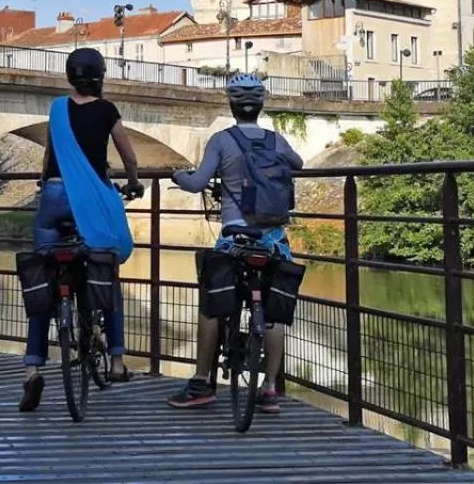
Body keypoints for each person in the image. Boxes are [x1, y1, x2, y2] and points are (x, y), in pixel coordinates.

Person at [166, 73, 303, 414]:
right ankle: (270, 388)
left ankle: (200, 382)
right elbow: (298, 164)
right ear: (260, 106)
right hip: (273, 237)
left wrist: (177, 175)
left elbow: (197, 183)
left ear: (231, 105)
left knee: (212, 305)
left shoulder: (222, 140)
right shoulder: (276, 139)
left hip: (235, 237)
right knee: (272, 313)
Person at [19, 47, 145, 412]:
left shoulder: (57, 108)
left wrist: (46, 181)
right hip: (89, 201)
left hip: (54, 196)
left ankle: (31, 369)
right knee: (106, 271)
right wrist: (134, 183)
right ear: (100, 76)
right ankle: (118, 361)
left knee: (44, 280)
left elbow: (48, 155)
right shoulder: (107, 111)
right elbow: (129, 157)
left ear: (70, 76)